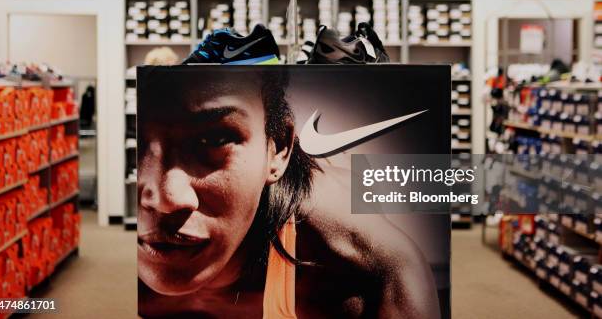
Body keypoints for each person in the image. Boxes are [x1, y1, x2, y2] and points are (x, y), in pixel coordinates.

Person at [137, 68, 441, 318]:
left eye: (214, 139)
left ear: (278, 148)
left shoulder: (361, 267)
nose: (166, 199)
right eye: (133, 143)